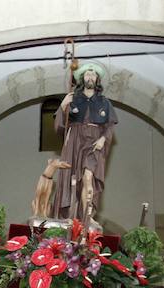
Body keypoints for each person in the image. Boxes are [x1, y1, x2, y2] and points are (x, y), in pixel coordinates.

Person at [54, 61, 118, 222]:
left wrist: (103, 139)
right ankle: (73, 216)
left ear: (97, 79)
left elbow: (110, 125)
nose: (90, 77)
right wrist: (63, 107)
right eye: (87, 74)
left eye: (94, 74)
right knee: (73, 179)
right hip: (75, 141)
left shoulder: (104, 102)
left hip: (95, 142)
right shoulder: (72, 98)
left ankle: (87, 217)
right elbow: (60, 127)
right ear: (83, 78)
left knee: (89, 177)